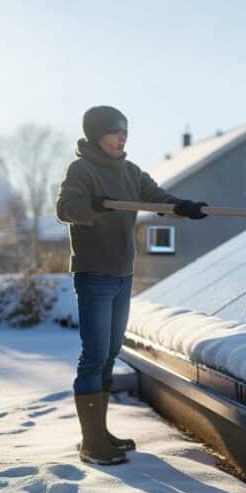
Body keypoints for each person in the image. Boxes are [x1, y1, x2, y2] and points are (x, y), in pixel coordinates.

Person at [56, 105, 207, 465]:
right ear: (96, 135)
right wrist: (95, 205)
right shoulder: (82, 170)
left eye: (125, 131)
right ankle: (91, 443)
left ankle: (100, 432)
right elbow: (66, 208)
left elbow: (158, 198)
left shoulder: (131, 172)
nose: (122, 137)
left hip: (123, 275)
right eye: (114, 131)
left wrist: (183, 208)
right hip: (94, 275)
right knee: (94, 356)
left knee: (109, 354)